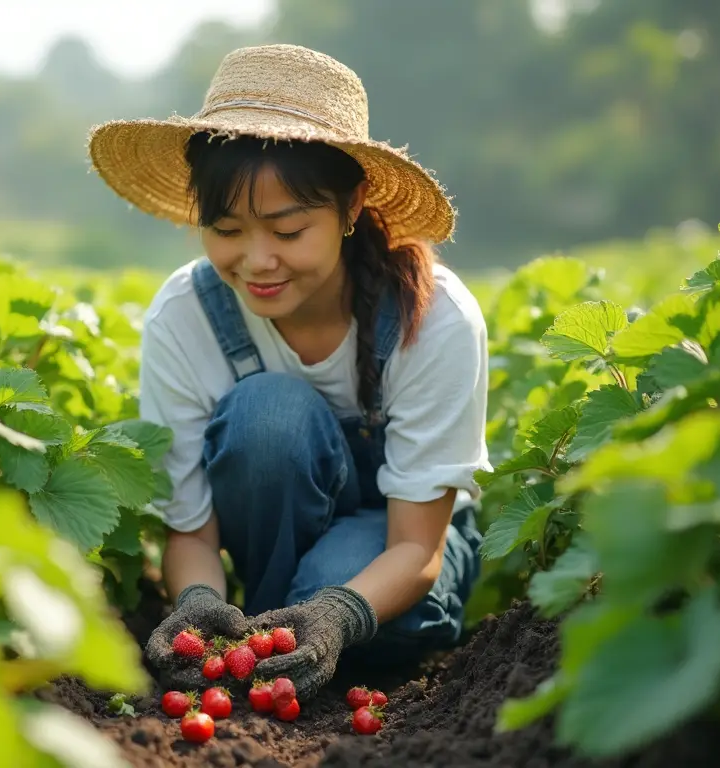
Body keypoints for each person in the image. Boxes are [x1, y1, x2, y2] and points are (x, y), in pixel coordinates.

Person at [86, 44, 489, 701]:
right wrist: (195, 602)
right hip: (272, 545)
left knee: (358, 606)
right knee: (266, 415)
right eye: (226, 229)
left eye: (288, 229)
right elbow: (189, 530)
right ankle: (264, 641)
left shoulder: (434, 319)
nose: (256, 260)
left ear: (351, 207)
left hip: (400, 543)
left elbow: (418, 549)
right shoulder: (185, 317)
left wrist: (333, 617)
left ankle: (302, 635)